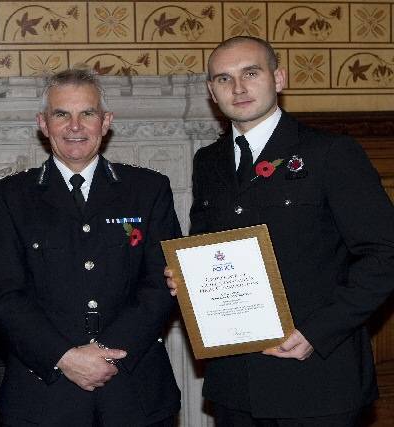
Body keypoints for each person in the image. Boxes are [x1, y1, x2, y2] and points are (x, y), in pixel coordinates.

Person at [166, 36, 394, 426]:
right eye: (224, 79)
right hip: (235, 384)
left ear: (279, 78)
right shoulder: (210, 161)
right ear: (211, 91)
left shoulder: (331, 153)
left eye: (250, 73)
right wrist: (187, 278)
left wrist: (316, 333)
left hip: (317, 379)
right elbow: (207, 245)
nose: (237, 88)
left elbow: (385, 253)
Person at [0, 69, 182, 426]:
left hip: (134, 390)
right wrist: (64, 356)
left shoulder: (147, 189)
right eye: (61, 114)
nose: (75, 126)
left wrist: (106, 353)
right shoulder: (8, 197)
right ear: (43, 123)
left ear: (106, 122)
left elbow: (163, 283)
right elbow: (2, 293)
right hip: (44, 394)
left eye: (87, 113)